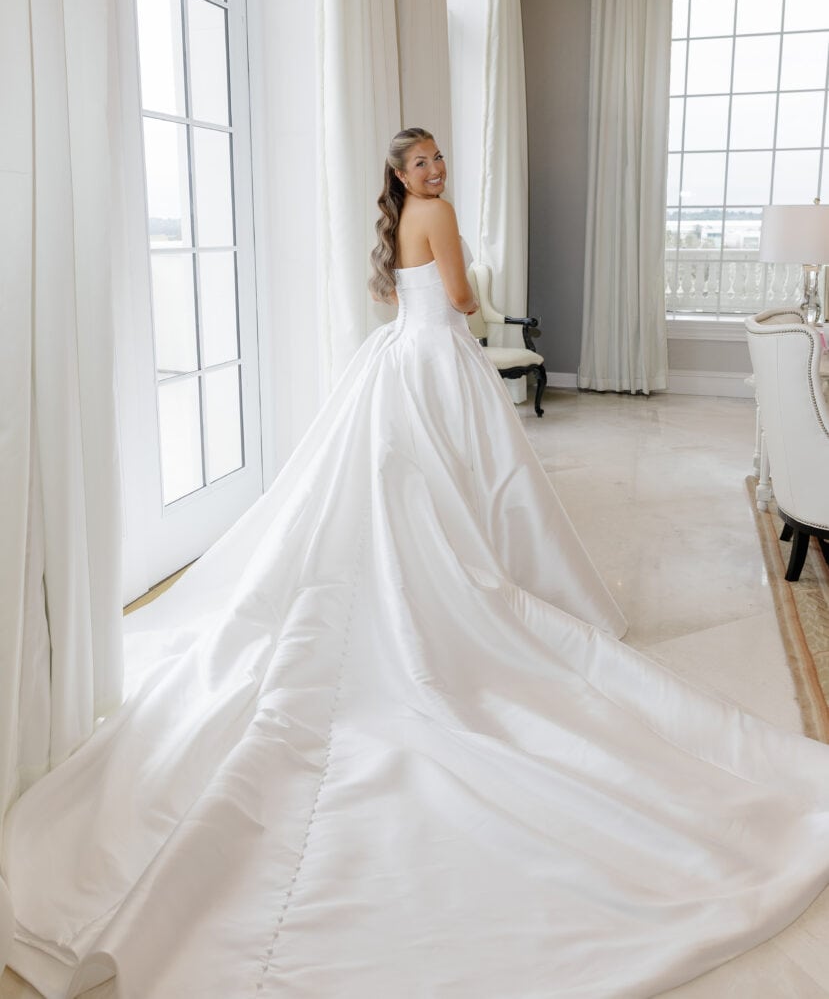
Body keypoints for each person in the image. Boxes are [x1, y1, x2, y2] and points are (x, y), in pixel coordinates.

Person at [3, 128, 829, 999]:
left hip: (401, 355)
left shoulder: (403, 217)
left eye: (437, 157)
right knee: (468, 483)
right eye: (420, 161)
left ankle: (427, 577)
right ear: (401, 174)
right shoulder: (436, 212)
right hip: (436, 359)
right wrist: (464, 277)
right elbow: (464, 298)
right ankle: (461, 587)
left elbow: (416, 293)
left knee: (418, 489)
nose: (434, 170)